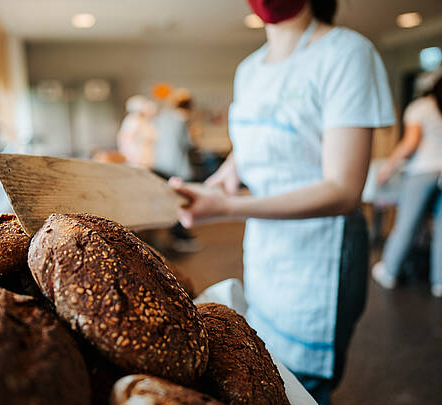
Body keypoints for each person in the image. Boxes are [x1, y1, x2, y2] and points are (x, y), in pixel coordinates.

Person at [168, 1, 396, 403]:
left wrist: (227, 208)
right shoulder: (250, 69)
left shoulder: (346, 53)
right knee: (266, 364)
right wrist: (226, 175)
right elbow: (257, 140)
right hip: (268, 247)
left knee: (302, 387)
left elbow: (343, 190)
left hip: (322, 253)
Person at [372, 74, 442, 297]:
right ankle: (439, 281)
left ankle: (390, 271)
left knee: (407, 223)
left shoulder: (420, 107)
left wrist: (388, 168)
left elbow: (410, 143)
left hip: (423, 172)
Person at [153, 88, 196, 181]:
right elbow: (189, 143)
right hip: (179, 165)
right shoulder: (183, 119)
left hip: (161, 163)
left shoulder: (162, 117)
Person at [117, 95, 158, 168]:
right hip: (137, 159)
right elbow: (125, 138)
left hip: (145, 158)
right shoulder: (133, 120)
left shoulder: (144, 121)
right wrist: (131, 156)